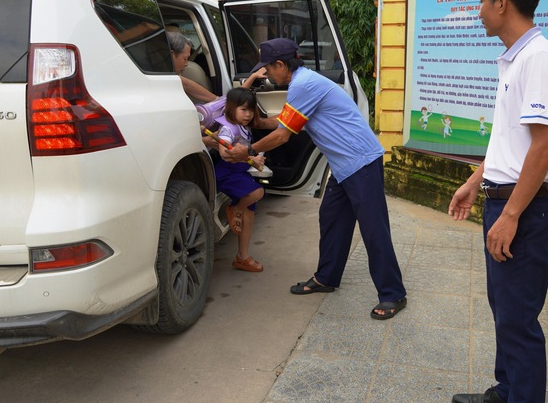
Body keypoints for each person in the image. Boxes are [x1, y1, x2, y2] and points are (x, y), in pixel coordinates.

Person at [447, 0, 548, 403]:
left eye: (481, 1)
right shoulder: (517, 59)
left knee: (518, 319)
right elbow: (512, 143)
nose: (478, 10)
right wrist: (474, 181)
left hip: (526, 208)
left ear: (502, 2)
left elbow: (543, 147)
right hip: (507, 201)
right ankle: (507, 391)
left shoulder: (538, 59)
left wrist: (512, 214)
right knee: (505, 309)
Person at [224, 37, 407, 320]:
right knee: (332, 218)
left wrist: (247, 151)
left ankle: (393, 293)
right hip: (344, 166)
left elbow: (283, 135)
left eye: (268, 69)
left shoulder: (303, 85)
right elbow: (289, 120)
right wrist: (259, 122)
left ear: (281, 65)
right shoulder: (303, 82)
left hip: (361, 163)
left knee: (374, 229)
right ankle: (326, 278)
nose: (267, 74)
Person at [214, 87, 267, 272]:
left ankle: (242, 257)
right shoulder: (228, 128)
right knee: (257, 192)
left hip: (240, 173)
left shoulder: (243, 127)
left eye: (251, 110)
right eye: (243, 109)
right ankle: (235, 208)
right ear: (231, 108)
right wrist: (251, 158)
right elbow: (225, 153)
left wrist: (255, 158)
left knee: (249, 213)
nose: (248, 114)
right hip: (228, 173)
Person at [168, 30, 218, 103]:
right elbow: (186, 84)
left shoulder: (167, 74)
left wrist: (218, 100)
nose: (186, 64)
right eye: (185, 59)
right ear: (171, 55)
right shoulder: (159, 75)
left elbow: (187, 85)